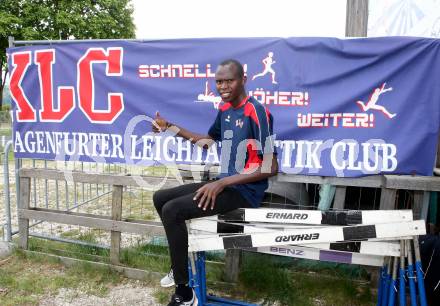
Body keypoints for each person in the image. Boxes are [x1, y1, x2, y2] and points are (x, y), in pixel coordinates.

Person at [152, 59, 278, 306]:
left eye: (229, 80)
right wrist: (170, 128)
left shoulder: (258, 112)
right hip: (226, 184)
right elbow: (207, 142)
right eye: (219, 81)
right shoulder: (224, 109)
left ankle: (184, 293)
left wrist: (222, 183)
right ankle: (179, 268)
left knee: (173, 210)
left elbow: (270, 166)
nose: (223, 86)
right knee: (160, 198)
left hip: (246, 192)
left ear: (244, 80)